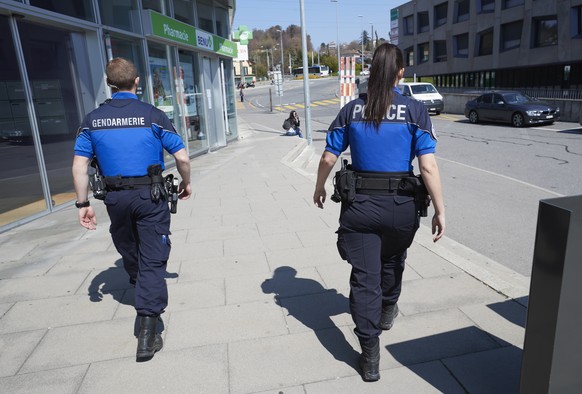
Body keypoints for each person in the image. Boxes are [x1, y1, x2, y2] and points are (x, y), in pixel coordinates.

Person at [312, 43, 445, 382]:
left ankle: (369, 352)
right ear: (400, 73)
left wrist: (319, 187)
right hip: (401, 209)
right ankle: (388, 306)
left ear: (371, 71)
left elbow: (329, 157)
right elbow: (427, 167)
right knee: (392, 259)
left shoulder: (352, 110)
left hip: (360, 208)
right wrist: (440, 210)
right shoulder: (415, 111)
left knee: (364, 277)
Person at [72, 57, 192, 362]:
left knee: (130, 248)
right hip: (150, 197)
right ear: (136, 82)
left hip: (115, 199)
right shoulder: (152, 115)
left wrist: (83, 204)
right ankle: (148, 332)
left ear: (110, 84)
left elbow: (79, 165)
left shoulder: (92, 120)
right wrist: (186, 182)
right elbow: (182, 157)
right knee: (153, 258)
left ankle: (140, 287)